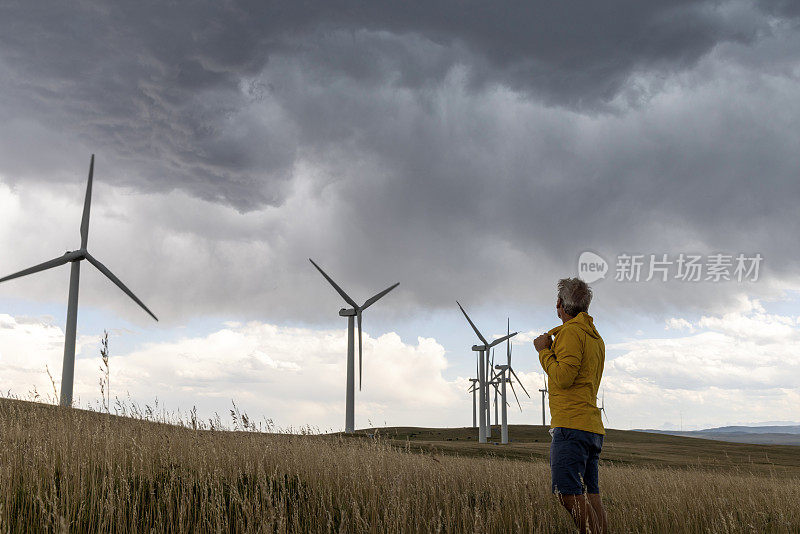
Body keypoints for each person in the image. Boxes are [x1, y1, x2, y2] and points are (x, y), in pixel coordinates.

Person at [534, 278, 608, 534]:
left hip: (571, 426)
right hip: (591, 427)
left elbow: (564, 378)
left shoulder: (570, 332)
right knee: (591, 495)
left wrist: (544, 351)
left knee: (568, 494)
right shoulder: (595, 337)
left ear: (560, 304)